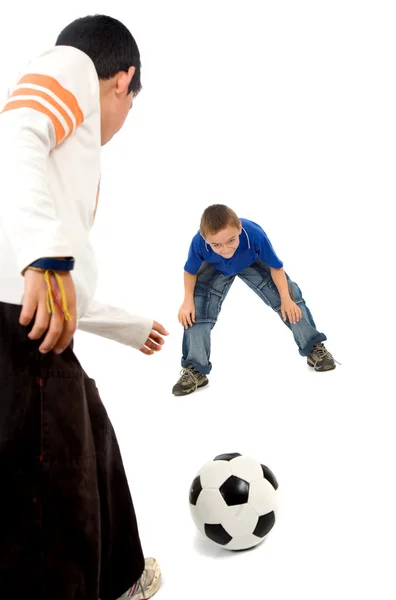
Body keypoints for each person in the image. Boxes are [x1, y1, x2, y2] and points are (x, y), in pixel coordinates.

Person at [0, 14, 165, 600]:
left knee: (90, 427)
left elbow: (60, 290)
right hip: (16, 330)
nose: (119, 123)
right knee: (55, 497)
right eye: (130, 102)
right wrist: (45, 252)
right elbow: (16, 130)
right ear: (123, 79)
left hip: (29, 318)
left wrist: (128, 326)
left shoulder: (52, 175)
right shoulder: (71, 65)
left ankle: (123, 577)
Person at [173, 204, 337, 396]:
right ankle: (196, 369)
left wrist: (285, 299)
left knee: (292, 301)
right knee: (195, 312)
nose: (225, 249)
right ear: (205, 239)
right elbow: (190, 271)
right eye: (216, 244)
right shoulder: (198, 243)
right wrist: (187, 301)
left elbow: (276, 268)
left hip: (251, 261)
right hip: (215, 266)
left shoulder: (254, 235)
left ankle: (313, 347)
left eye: (231, 240)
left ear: (239, 229)